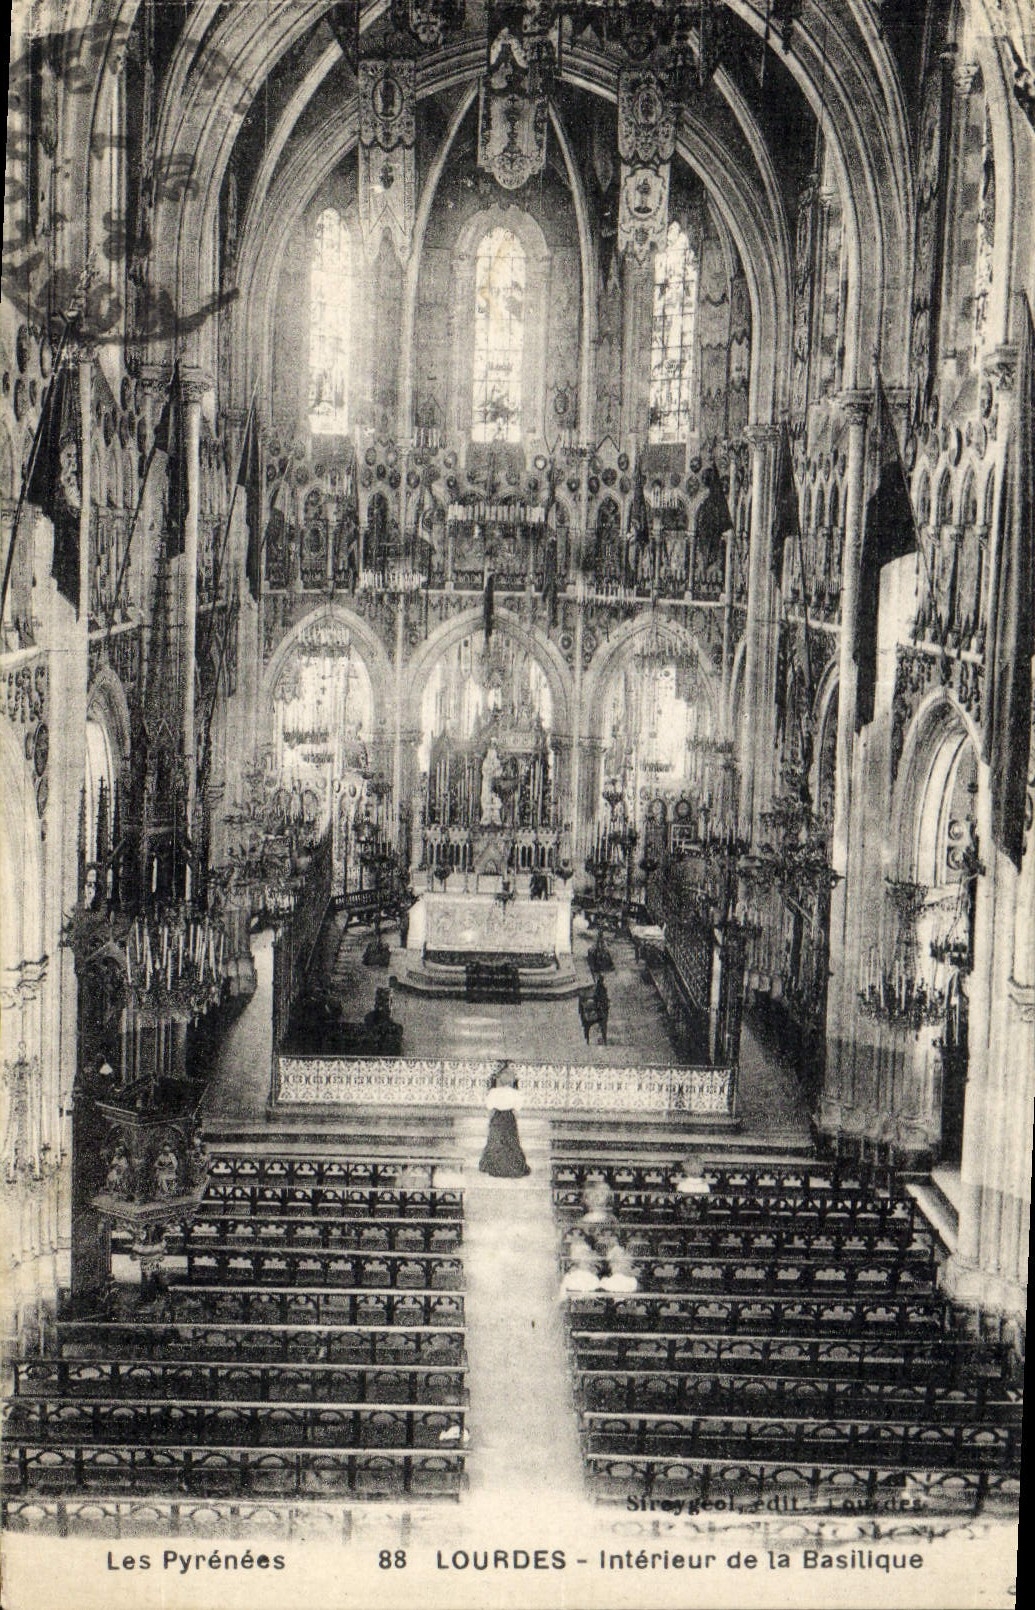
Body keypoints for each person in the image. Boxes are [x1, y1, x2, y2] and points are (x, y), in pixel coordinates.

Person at [478, 1071, 531, 1178]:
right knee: (511, 1143)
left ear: (500, 1080)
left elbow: (489, 1106)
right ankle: (512, 1167)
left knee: (496, 1142)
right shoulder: (515, 1093)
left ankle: (495, 1167)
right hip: (509, 1118)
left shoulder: (494, 1092)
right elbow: (518, 1107)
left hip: (497, 1117)